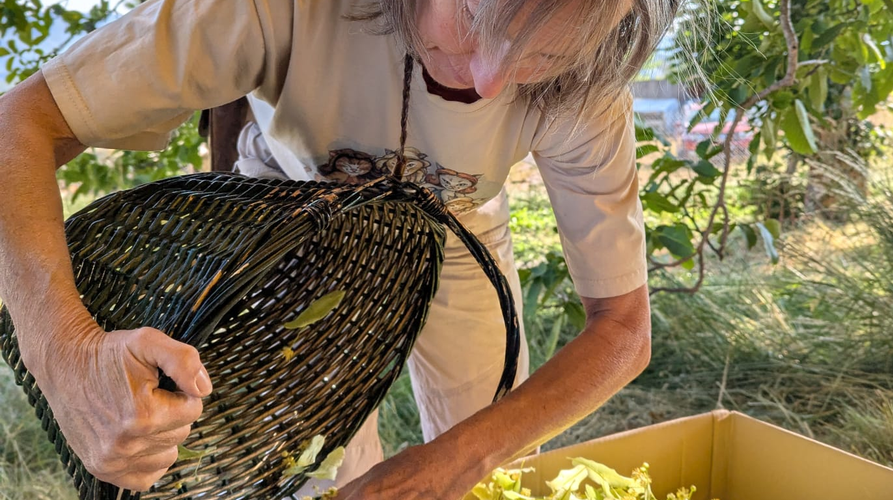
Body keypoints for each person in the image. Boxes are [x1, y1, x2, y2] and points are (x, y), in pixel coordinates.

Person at [0, 0, 675, 498]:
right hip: (291, 205)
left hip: (458, 217)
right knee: (306, 462)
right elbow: (19, 123)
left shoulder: (590, 75)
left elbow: (622, 328)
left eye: (544, 58)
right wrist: (63, 350)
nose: (489, 82)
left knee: (496, 450)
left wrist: (461, 459)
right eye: (472, 16)